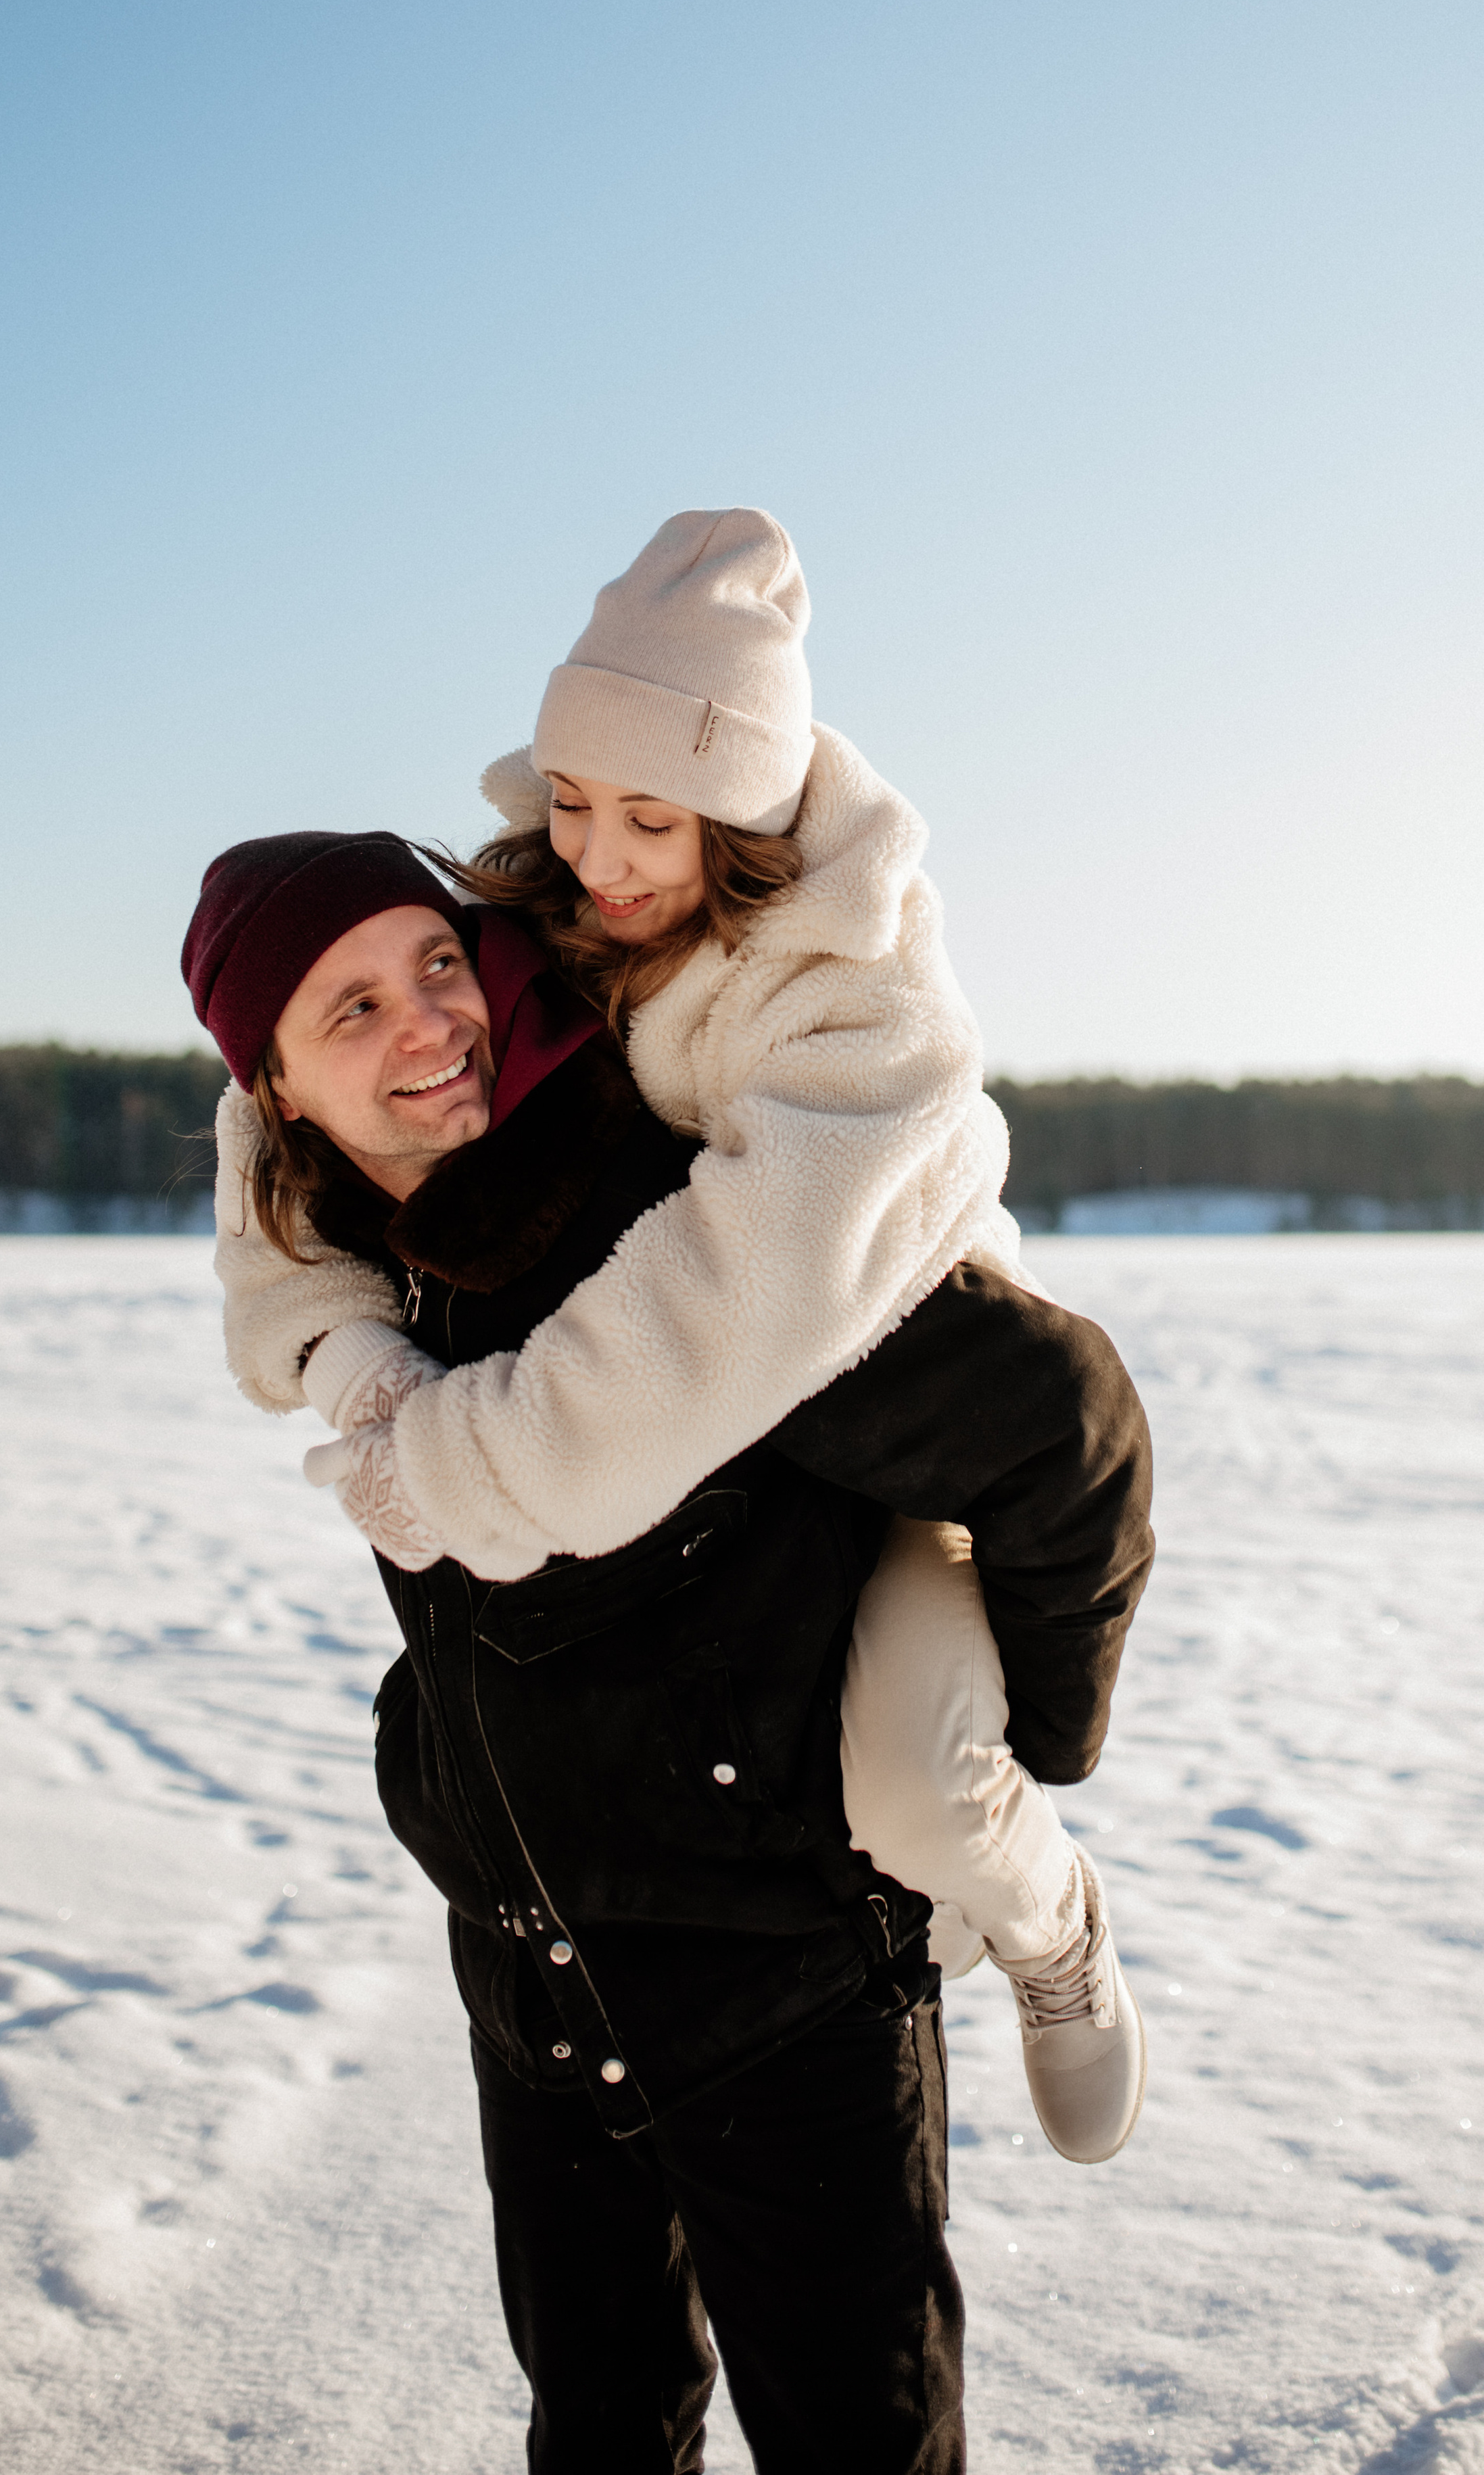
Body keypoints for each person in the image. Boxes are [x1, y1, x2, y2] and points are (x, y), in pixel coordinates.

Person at [180, 830, 1155, 2472]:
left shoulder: (685, 1240)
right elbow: (258, 1240)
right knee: (599, 2438)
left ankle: (1053, 1919)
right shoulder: (352, 1265)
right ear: (272, 1093)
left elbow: (1060, 1419)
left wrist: (1027, 1754)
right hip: (535, 1986)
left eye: (436, 963)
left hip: (781, 1997)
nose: (428, 1023)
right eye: (351, 1009)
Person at [208, 510, 1147, 2159]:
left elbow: (715, 1313)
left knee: (914, 1789)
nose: (601, 858)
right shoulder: (556, 889)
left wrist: (450, 1471)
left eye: (651, 820)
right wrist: (332, 1341)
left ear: (746, 812)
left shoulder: (864, 1008)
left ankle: (1049, 1926)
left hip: (902, 1414)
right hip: (734, 1435)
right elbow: (280, 1062)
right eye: (570, 799)